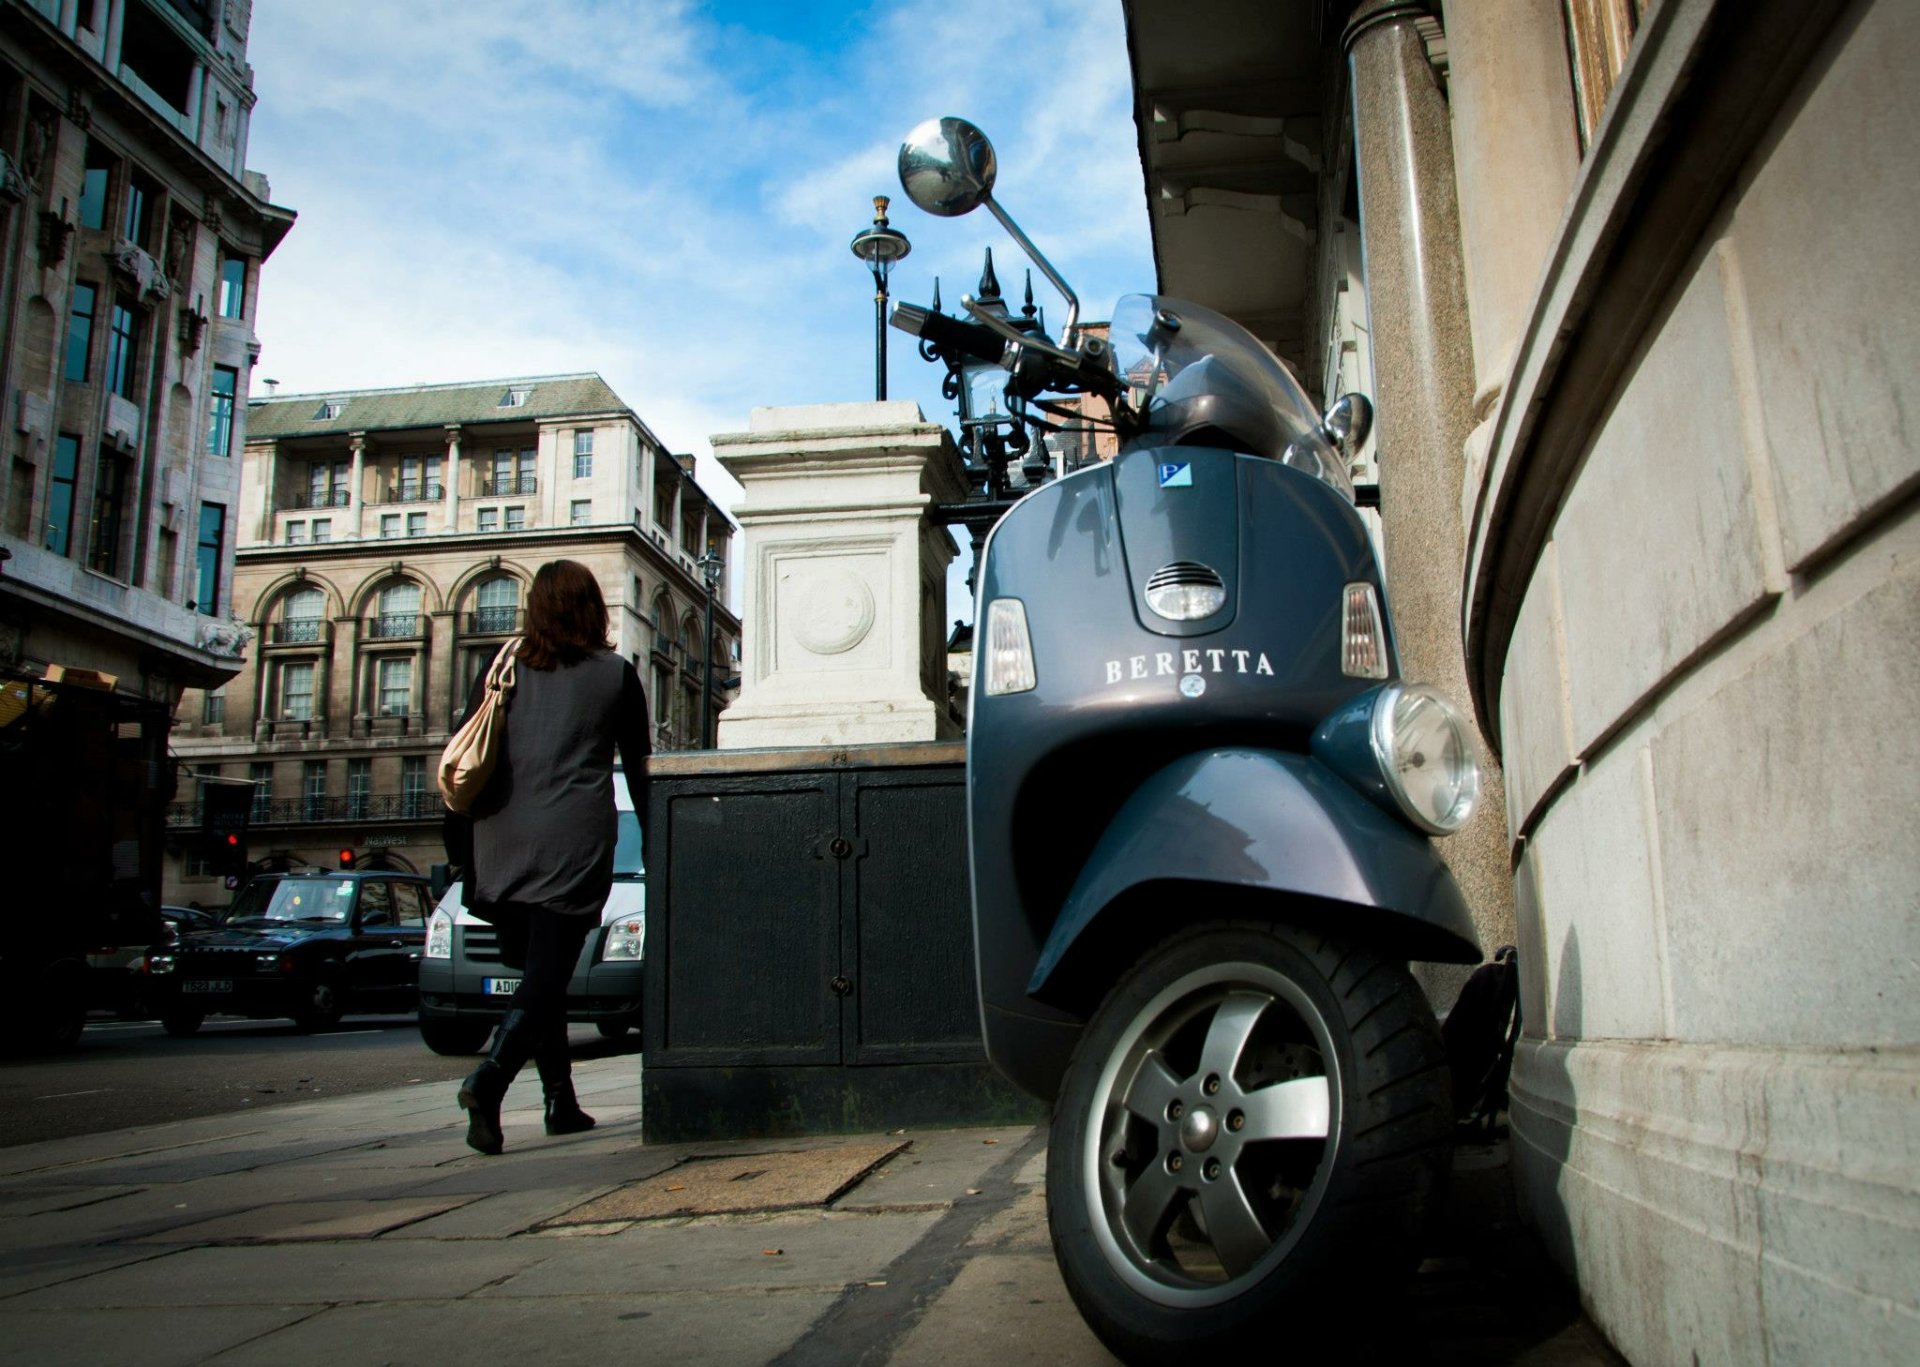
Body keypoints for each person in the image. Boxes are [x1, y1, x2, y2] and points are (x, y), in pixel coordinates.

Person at [446, 559, 649, 1155]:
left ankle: (561, 1102)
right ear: (594, 609)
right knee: (547, 975)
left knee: (540, 976)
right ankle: (490, 1079)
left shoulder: (505, 665)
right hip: (571, 840)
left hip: (501, 837)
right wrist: (660, 846)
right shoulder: (616, 676)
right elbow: (640, 773)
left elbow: (470, 745)